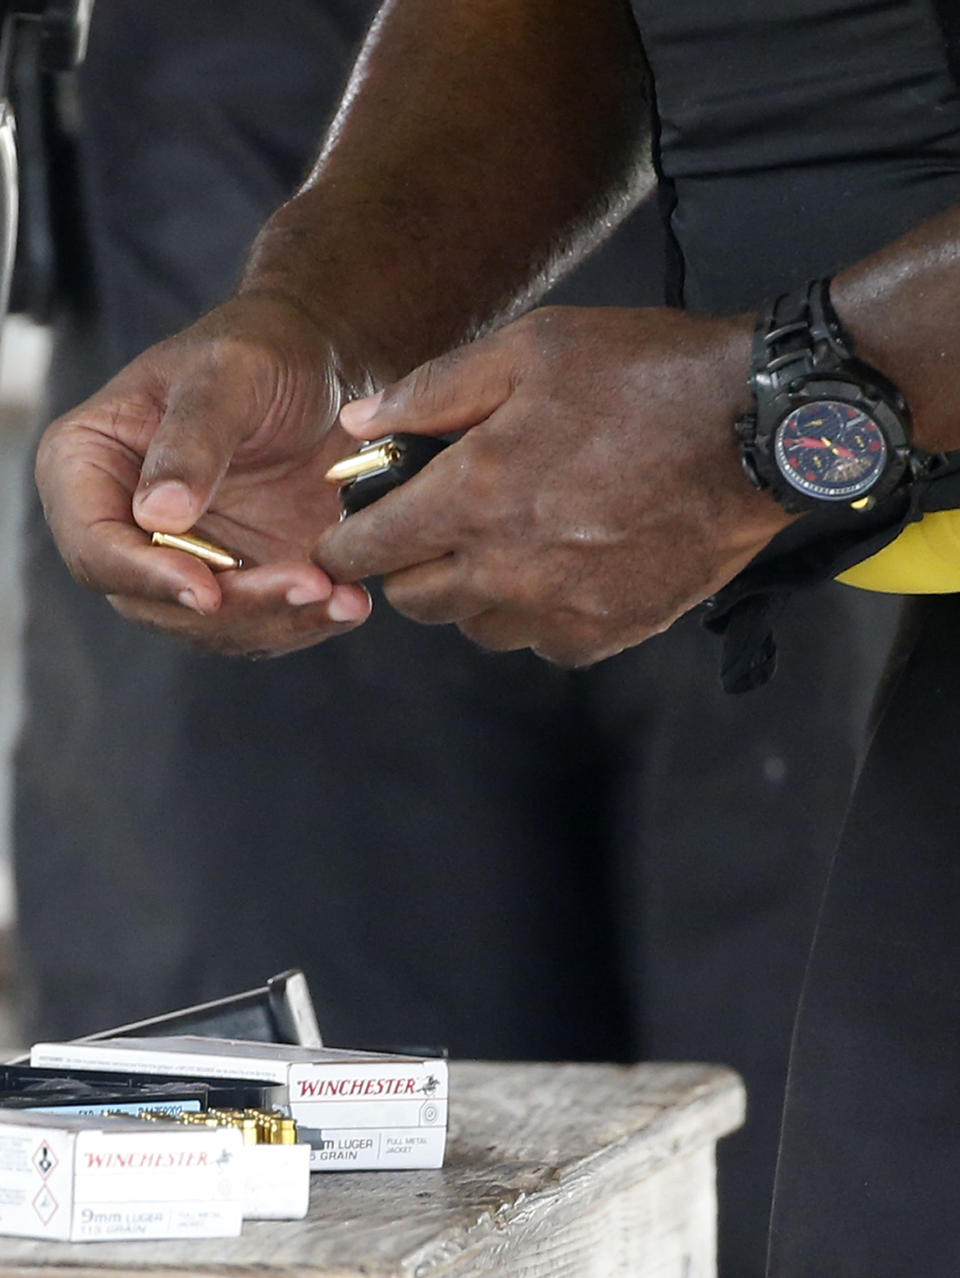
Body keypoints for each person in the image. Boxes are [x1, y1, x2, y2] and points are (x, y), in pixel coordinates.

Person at [27, 0, 945, 1270]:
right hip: (280, 171)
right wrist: (324, 318)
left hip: (841, 437)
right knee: (303, 1198)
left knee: (798, 1145)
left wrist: (787, 400)